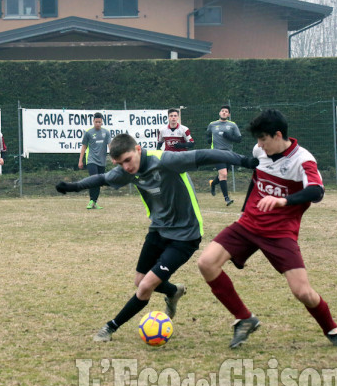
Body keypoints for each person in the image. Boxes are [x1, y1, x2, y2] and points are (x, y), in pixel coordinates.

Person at [56, 133, 258, 342]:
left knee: (145, 287)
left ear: (138, 150)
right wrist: (72, 187)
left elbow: (207, 154)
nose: (126, 167)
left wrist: (243, 161)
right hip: (158, 230)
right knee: (140, 281)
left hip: (185, 235)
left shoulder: (166, 160)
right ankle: (173, 291)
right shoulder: (127, 170)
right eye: (120, 163)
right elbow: (102, 179)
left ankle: (110, 328)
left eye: (128, 160)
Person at [197, 109, 337, 349]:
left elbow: (317, 191)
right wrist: (243, 210)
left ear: (278, 135)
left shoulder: (303, 160)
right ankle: (244, 318)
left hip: (280, 233)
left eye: (263, 139)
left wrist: (284, 201)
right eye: (258, 140)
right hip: (248, 224)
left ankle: (332, 330)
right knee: (206, 263)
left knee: (302, 292)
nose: (259, 145)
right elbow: (256, 179)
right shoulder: (260, 152)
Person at [205, 105, 241, 206]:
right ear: (219, 113)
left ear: (229, 114)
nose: (224, 112)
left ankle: (213, 183)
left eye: (226, 111)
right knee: (223, 174)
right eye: (222, 111)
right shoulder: (212, 124)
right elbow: (207, 134)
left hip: (228, 153)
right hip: (216, 152)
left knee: (222, 175)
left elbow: (239, 139)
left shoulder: (232, 125)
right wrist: (208, 140)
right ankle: (227, 198)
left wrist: (229, 137)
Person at [78, 112, 112, 209]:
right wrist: (80, 160)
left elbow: (110, 146)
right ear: (93, 121)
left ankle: (95, 202)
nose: (97, 124)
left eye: (99, 122)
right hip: (91, 160)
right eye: (96, 122)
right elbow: (84, 147)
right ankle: (91, 201)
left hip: (102, 161)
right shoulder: (88, 132)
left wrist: (114, 157)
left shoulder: (106, 133)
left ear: (102, 122)